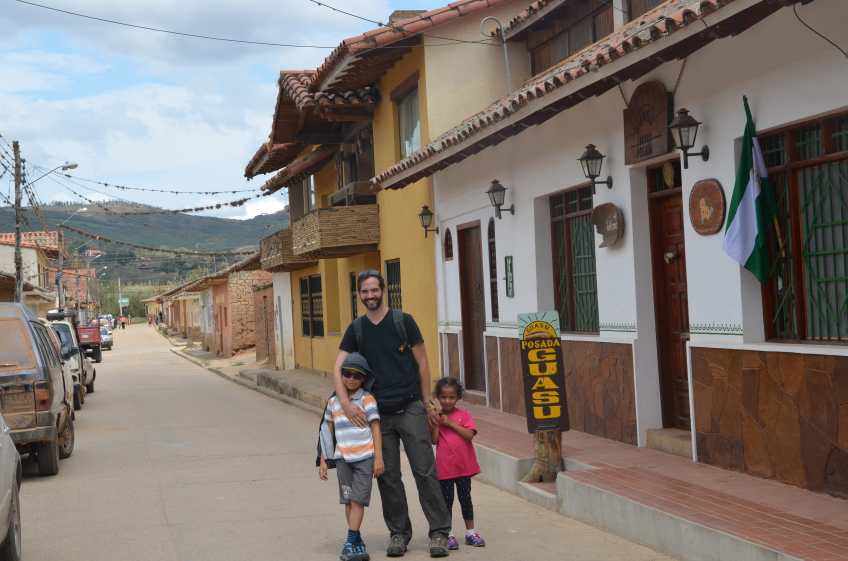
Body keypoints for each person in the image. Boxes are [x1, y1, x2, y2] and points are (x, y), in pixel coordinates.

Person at [334, 270, 451, 558]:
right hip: (378, 415)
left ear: (383, 290)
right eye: (365, 291)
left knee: (425, 471)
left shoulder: (403, 321)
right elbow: (338, 366)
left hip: (410, 407)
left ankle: (439, 532)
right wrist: (346, 403)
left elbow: (422, 362)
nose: (370, 295)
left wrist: (427, 401)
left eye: (374, 290)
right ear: (359, 294)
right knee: (388, 477)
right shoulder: (357, 329)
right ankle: (399, 533)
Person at [318, 352, 384, 561]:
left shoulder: (367, 399)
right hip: (342, 460)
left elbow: (376, 428)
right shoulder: (333, 402)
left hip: (364, 458)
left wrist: (379, 458)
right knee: (348, 501)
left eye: (357, 376)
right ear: (341, 376)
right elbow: (327, 430)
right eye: (347, 374)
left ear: (364, 378)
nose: (352, 379)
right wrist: (324, 459)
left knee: (357, 501)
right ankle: (356, 541)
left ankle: (350, 541)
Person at [430, 378, 485, 550]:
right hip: (445, 468)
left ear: (458, 397)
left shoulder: (464, 415)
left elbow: (469, 435)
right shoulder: (436, 417)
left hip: (463, 468)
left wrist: (449, 423)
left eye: (451, 397)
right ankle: (449, 534)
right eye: (443, 397)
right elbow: (434, 440)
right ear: (438, 397)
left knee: (465, 499)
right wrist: (436, 423)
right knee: (447, 502)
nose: (447, 401)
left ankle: (470, 532)